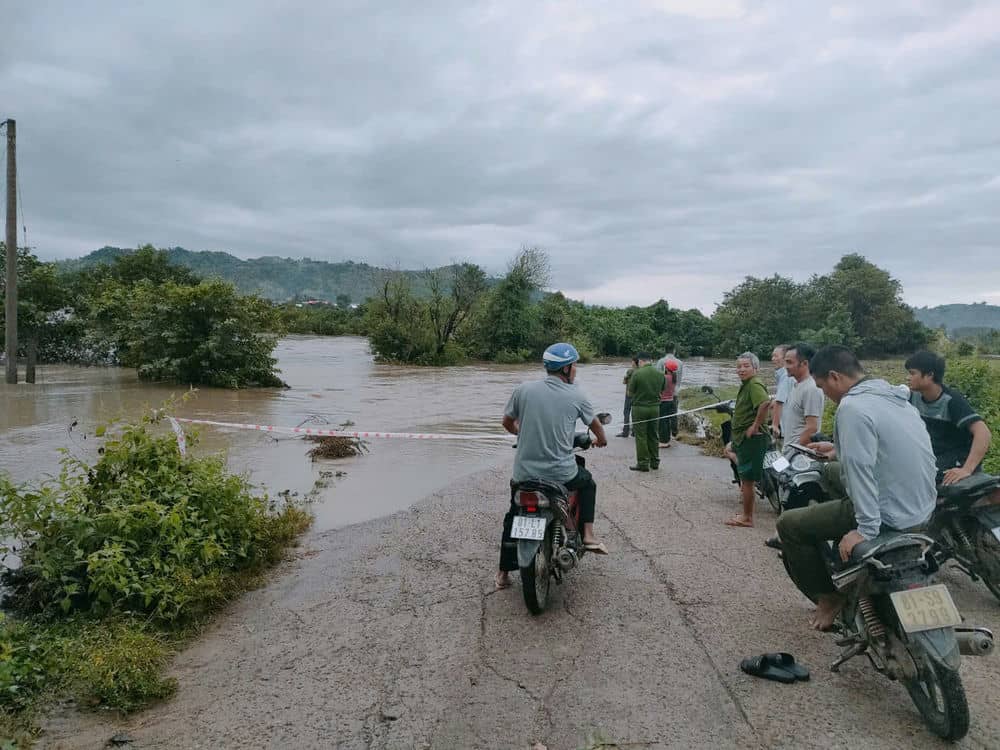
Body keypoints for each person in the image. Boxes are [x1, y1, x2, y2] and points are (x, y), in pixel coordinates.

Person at [775, 345, 936, 630]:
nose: (826, 394)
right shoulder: (895, 397)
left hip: (887, 510)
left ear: (834, 377)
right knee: (828, 470)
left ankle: (828, 598)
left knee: (789, 525)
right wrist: (837, 448)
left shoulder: (851, 407)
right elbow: (881, 448)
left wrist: (865, 529)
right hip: (922, 507)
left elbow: (860, 472)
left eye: (823, 387)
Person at [496, 343, 608, 590]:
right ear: (567, 368)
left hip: (524, 473)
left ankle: (503, 573)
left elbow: (507, 423)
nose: (576, 370)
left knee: (513, 514)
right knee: (587, 482)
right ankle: (588, 535)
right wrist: (601, 440)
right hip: (561, 474)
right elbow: (596, 425)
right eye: (575, 365)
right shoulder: (576, 395)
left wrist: (522, 434)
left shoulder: (523, 390)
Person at [905, 350, 992, 485]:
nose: (908, 378)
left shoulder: (951, 400)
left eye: (912, 373)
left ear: (929, 375)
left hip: (955, 457)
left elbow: (983, 433)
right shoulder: (911, 397)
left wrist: (967, 469)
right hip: (934, 456)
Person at [725, 352, 772, 528]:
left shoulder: (754, 384)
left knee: (747, 480)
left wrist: (755, 425)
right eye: (739, 366)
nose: (741, 369)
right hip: (742, 438)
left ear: (756, 368)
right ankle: (746, 513)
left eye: (746, 366)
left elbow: (765, 403)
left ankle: (747, 517)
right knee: (746, 477)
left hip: (752, 439)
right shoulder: (747, 384)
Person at [780, 342, 825, 447]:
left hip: (798, 455)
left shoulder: (811, 389)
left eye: (789, 362)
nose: (785, 366)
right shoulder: (797, 385)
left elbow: (812, 427)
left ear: (805, 364)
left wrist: (796, 450)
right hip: (789, 450)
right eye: (785, 362)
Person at [627, 352, 665, 472]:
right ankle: (655, 462)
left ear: (640, 361)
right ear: (651, 360)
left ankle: (643, 463)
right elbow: (662, 390)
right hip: (655, 408)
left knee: (641, 436)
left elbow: (630, 393)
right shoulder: (660, 374)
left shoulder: (637, 373)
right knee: (654, 434)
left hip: (639, 408)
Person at [656, 343, 684, 438]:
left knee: (663, 415)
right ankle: (674, 432)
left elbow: (658, 378)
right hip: (674, 391)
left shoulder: (661, 361)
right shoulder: (680, 362)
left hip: (663, 394)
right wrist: (676, 389)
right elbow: (679, 379)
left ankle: (663, 434)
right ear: (674, 350)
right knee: (673, 412)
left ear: (665, 350)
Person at [770, 344, 793, 442]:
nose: (772, 359)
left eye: (776, 356)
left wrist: (774, 425)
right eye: (772, 356)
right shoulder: (785, 374)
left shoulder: (785, 375)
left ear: (785, 358)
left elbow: (779, 401)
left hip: (786, 428)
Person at [617, 355, 640, 438]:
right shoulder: (641, 371)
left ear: (634, 362)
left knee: (626, 412)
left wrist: (626, 378)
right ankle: (634, 432)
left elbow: (624, 382)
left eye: (632, 361)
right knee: (635, 413)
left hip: (629, 395)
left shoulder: (630, 371)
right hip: (637, 396)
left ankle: (625, 432)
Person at [657, 360, 679, 446]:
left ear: (666, 368)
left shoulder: (665, 377)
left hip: (663, 402)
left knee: (662, 422)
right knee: (667, 421)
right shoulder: (674, 378)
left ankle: (663, 441)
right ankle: (667, 439)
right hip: (671, 400)